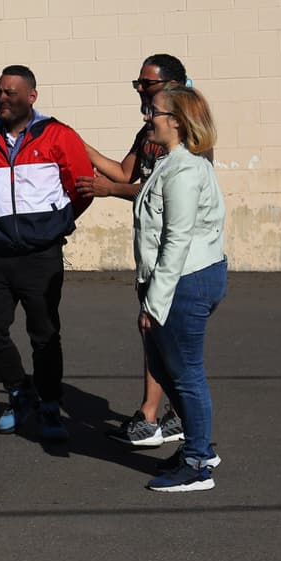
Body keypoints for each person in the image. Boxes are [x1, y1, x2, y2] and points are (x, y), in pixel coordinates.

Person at [0, 65, 93, 441]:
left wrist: (57, 224)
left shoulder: (58, 136)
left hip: (41, 256)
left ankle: (50, 405)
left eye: (11, 93)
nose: (2, 98)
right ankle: (20, 392)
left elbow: (82, 187)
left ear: (31, 96)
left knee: (45, 335)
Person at [75, 54, 191, 446]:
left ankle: (151, 418)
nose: (140, 90)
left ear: (174, 85)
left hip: (176, 258)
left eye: (147, 84)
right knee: (158, 335)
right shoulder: (148, 132)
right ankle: (176, 415)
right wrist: (78, 145)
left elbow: (160, 189)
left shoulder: (189, 133)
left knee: (159, 331)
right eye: (138, 83)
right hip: (151, 252)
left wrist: (111, 191)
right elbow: (126, 173)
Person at [134, 85, 227, 492]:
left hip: (183, 282)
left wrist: (153, 305)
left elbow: (177, 240)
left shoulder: (186, 170)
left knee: (186, 373)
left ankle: (197, 464)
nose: (145, 117)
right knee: (170, 369)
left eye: (151, 110)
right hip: (178, 280)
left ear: (176, 120)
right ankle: (197, 446)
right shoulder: (172, 163)